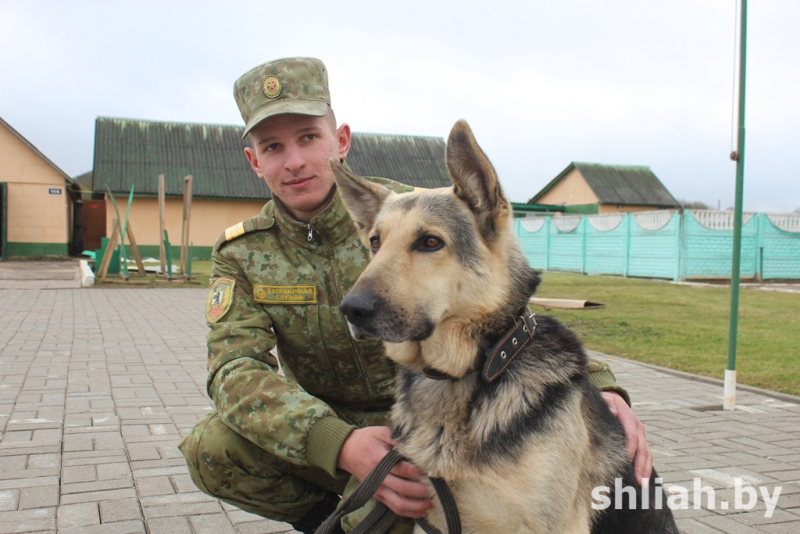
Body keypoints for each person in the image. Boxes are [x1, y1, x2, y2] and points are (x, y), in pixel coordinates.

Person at [178, 57, 652, 534]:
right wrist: (339, 443)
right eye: (273, 147)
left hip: (434, 414)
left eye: (308, 138)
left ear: (339, 141)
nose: (295, 161)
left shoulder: (416, 208)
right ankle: (339, 520)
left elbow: (503, 299)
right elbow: (235, 372)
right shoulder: (240, 252)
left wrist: (602, 394)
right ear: (254, 161)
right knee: (211, 447)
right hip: (333, 427)